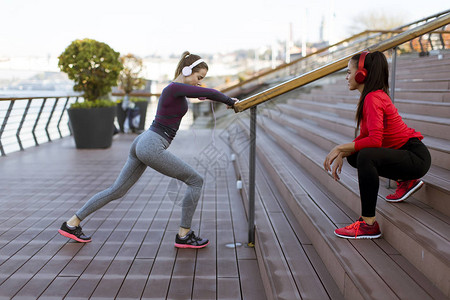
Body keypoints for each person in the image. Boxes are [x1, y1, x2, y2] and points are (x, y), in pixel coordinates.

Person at [58, 51, 238, 248]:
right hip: (151, 144)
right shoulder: (174, 88)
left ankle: (71, 223)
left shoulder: (175, 90)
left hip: (143, 142)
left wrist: (199, 92)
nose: (199, 83)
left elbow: (202, 94)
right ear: (187, 71)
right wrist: (231, 101)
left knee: (117, 190)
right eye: (198, 78)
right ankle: (184, 235)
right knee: (195, 180)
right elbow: (211, 92)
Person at [323, 51, 431, 239]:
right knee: (356, 156)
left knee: (365, 155)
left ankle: (368, 223)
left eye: (349, 72)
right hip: (406, 154)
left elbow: (374, 141)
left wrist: (340, 148)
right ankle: (405, 180)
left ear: (361, 74)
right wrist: (344, 152)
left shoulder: (373, 98)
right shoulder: (370, 97)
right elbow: (366, 136)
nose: (347, 77)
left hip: (415, 157)